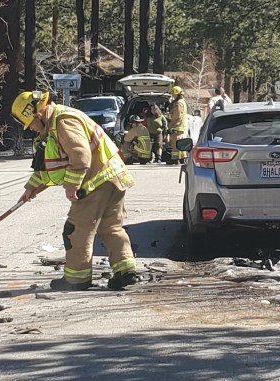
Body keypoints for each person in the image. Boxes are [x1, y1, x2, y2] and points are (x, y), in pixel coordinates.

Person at [11, 90, 138, 291]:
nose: (32, 130)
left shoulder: (63, 121)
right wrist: (32, 188)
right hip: (114, 179)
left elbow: (80, 157)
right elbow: (54, 166)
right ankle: (126, 270)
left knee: (76, 231)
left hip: (96, 183)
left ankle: (77, 279)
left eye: (31, 124)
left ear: (38, 114)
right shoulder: (57, 123)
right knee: (111, 228)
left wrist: (71, 187)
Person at [168, 85, 188, 165]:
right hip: (181, 126)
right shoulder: (183, 102)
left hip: (177, 125)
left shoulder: (178, 104)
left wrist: (169, 116)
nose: (173, 96)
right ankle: (182, 158)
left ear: (177, 94)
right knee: (180, 143)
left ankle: (175, 159)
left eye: (174, 94)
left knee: (175, 143)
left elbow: (176, 115)